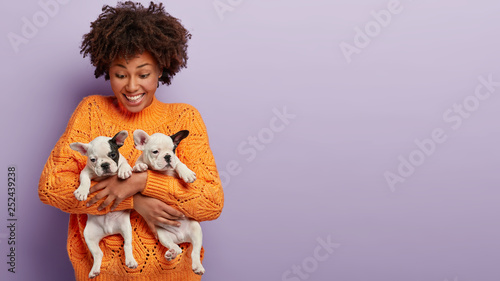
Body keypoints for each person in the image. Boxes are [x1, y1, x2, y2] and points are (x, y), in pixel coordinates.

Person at [38, 2, 224, 280]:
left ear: (161, 69)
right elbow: (52, 188)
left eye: (144, 74)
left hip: (175, 274)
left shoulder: (185, 118)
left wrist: (143, 182)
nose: (132, 86)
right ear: (107, 70)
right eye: (120, 74)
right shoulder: (92, 111)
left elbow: (211, 202)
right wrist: (134, 201)